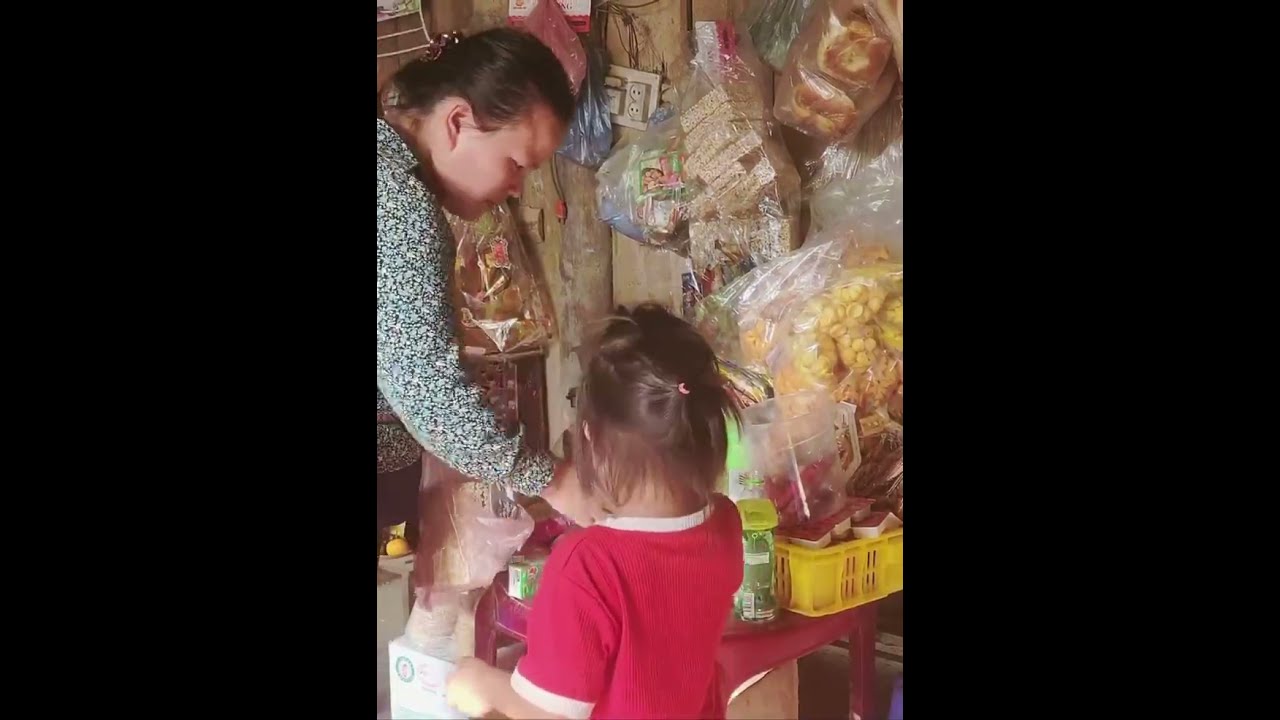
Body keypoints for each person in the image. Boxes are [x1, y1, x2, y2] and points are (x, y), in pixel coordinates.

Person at [446, 304, 746, 720]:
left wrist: (483, 684)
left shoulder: (587, 565)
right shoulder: (726, 523)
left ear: (589, 437)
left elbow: (548, 714)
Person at [376, 28, 576, 557]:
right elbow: (425, 389)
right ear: (457, 122)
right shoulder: (400, 205)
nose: (516, 189)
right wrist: (553, 479)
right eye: (516, 165)